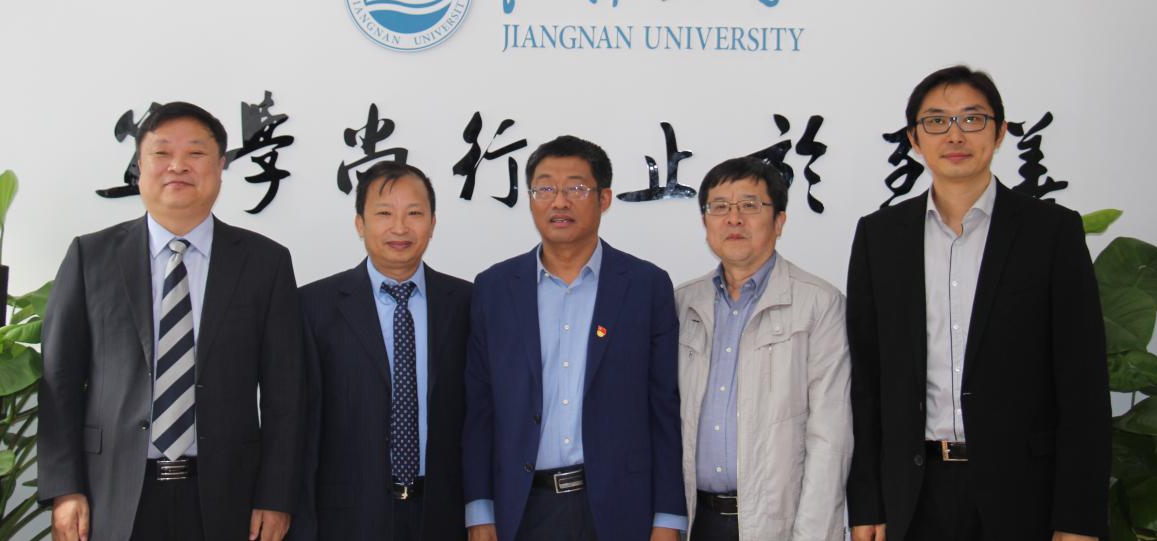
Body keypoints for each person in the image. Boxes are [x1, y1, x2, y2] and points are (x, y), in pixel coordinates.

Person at [846, 66, 1110, 541]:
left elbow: (1083, 385)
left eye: (972, 119)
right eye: (936, 121)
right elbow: (867, 384)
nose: (955, 135)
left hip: (1024, 495)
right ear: (914, 139)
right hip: (913, 495)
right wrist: (867, 505)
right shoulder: (879, 237)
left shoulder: (1051, 233)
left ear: (1000, 132)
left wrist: (1078, 521)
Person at [38, 102, 303, 541]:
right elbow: (59, 380)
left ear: (220, 167)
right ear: (139, 167)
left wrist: (276, 495)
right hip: (112, 494)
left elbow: (286, 393)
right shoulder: (91, 257)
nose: (178, 166)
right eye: (161, 153)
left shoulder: (265, 263)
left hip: (227, 496)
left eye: (195, 153)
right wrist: (65, 488)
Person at [463, 135, 687, 541]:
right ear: (531, 199)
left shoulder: (645, 286)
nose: (560, 202)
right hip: (522, 510)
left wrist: (669, 518)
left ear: (604, 199)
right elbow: (480, 408)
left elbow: (665, 409)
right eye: (545, 188)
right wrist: (480, 511)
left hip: (621, 510)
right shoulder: (494, 288)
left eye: (576, 189)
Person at [293, 161, 471, 540]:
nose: (400, 228)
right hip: (347, 518)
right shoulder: (313, 306)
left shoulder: (467, 303)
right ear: (360, 224)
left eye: (414, 214)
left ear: (433, 223)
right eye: (385, 213)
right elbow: (298, 424)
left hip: (444, 514)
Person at [676, 156, 851, 540]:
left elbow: (830, 438)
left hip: (778, 525)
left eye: (749, 206)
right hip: (697, 520)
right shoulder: (683, 303)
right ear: (705, 222)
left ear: (780, 221)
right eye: (719, 207)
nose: (733, 219)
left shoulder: (819, 303)